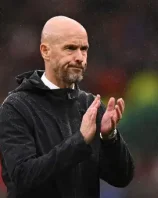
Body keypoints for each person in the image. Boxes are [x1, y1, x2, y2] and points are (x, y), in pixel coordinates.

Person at [0, 16, 134, 198]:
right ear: (45, 51)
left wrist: (110, 138)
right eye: (70, 48)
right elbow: (23, 177)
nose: (80, 57)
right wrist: (79, 142)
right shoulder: (16, 107)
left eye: (84, 49)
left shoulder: (90, 105)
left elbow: (121, 178)